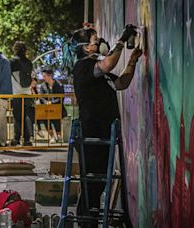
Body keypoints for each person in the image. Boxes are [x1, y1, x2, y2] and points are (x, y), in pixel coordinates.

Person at [71, 25, 142, 226]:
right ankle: (87, 222)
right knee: (92, 184)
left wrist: (132, 61)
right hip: (91, 136)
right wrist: (122, 41)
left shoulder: (98, 71)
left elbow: (121, 83)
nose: (101, 42)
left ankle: (88, 220)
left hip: (102, 134)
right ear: (86, 48)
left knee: (99, 182)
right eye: (96, 40)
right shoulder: (83, 67)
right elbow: (108, 64)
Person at [10, 41, 34, 146]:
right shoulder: (29, 62)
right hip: (27, 93)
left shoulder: (12, 62)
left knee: (18, 117)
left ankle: (21, 138)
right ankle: (23, 139)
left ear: (15, 49)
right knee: (24, 116)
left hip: (16, 93)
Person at [39, 69, 67, 144]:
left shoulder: (59, 84)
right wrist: (46, 102)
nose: (43, 78)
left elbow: (61, 97)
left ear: (50, 76)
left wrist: (52, 102)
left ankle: (59, 136)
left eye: (45, 76)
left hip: (56, 107)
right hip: (46, 107)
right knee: (46, 122)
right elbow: (41, 96)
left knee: (56, 120)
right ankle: (52, 137)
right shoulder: (43, 86)